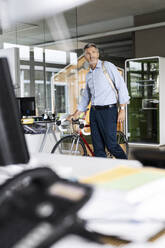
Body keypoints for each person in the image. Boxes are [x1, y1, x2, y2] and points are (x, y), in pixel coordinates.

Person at [69, 43, 130, 159]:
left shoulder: (107, 66)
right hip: (94, 112)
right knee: (97, 147)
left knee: (111, 145)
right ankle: (103, 172)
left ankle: (129, 167)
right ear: (85, 57)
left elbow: (121, 86)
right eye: (87, 53)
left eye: (93, 52)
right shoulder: (88, 75)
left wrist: (122, 109)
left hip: (108, 111)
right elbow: (86, 97)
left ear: (97, 53)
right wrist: (76, 113)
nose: (91, 55)